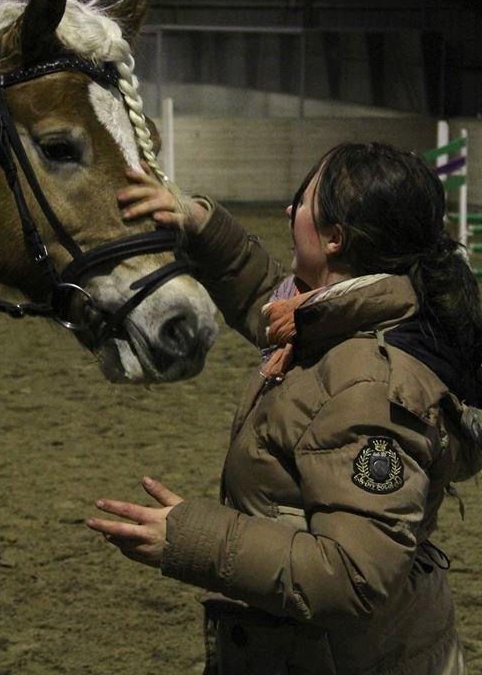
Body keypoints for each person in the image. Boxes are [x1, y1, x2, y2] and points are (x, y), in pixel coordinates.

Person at [86, 142, 482, 675]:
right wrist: (201, 225)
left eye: (302, 202)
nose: (288, 212)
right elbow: (265, 304)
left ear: (335, 239)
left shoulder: (367, 385)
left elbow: (350, 575)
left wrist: (189, 539)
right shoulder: (334, 320)